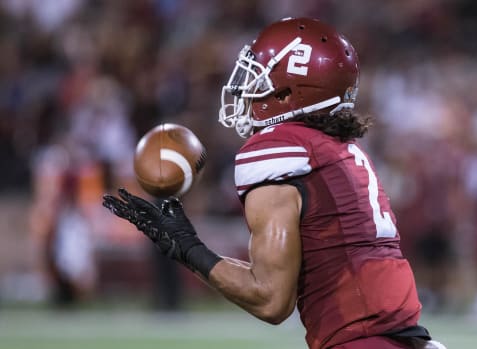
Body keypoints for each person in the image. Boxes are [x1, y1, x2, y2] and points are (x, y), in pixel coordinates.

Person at [103, 17, 446, 349]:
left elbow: (270, 299)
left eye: (258, 80)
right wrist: (191, 248)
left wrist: (187, 248)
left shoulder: (278, 148)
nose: (245, 91)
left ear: (286, 94)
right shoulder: (338, 150)